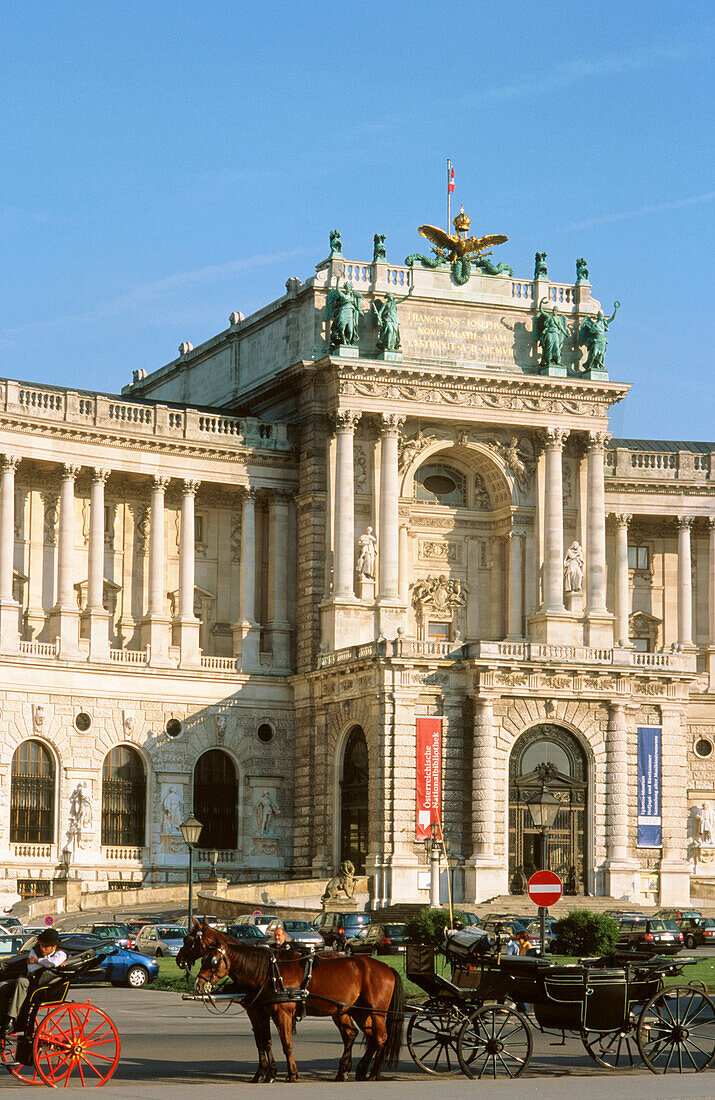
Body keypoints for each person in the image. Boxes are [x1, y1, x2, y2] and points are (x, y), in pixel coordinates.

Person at [0, 929, 67, 1036]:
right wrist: (46, 962)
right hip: (30, 977)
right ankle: (2, 1017)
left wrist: (37, 961)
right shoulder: (35, 950)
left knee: (21, 982)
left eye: (46, 946)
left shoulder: (61, 953)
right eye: (42, 945)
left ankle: (11, 1019)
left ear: (54, 947)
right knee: (2, 985)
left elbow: (53, 963)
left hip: (41, 983)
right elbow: (31, 968)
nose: (42, 948)